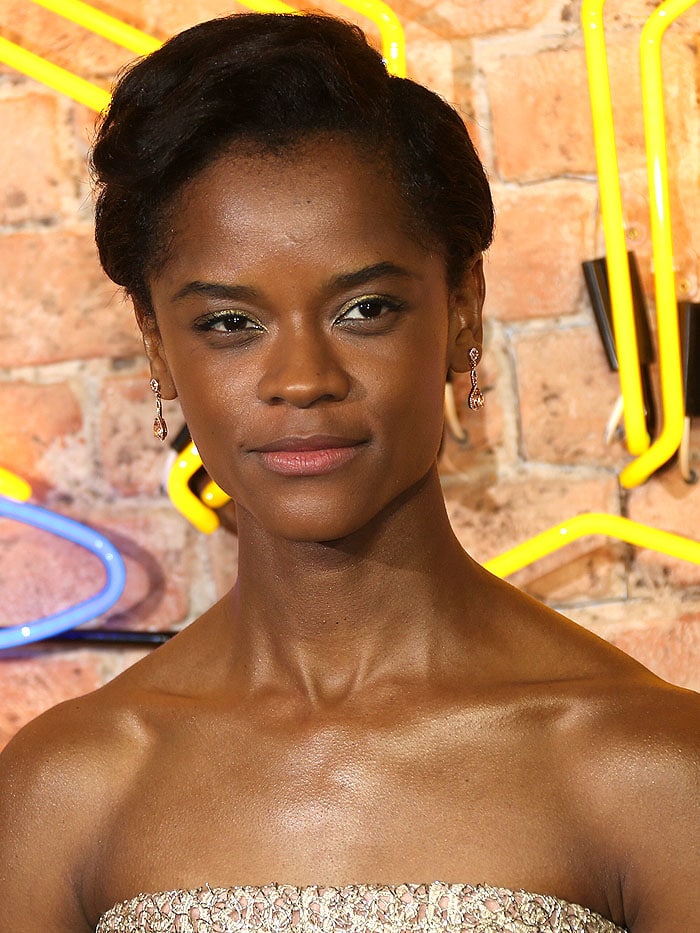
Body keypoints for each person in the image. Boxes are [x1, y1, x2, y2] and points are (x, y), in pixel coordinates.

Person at [0, 13, 697, 933]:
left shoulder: (649, 768)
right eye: (228, 324)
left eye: (365, 308)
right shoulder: (66, 787)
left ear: (461, 312)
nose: (303, 380)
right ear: (159, 351)